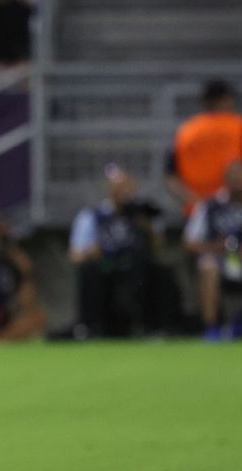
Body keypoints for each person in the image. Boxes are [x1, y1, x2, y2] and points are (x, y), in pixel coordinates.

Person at [69, 165, 168, 338]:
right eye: (119, 188)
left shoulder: (142, 214)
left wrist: (145, 226)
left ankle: (152, 326)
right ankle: (89, 327)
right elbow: (76, 255)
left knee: (154, 269)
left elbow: (158, 246)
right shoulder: (92, 215)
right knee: (89, 271)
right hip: (106, 265)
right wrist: (95, 250)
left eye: (127, 187)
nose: (124, 192)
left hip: (134, 266)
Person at [184, 159, 242, 339]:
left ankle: (238, 323)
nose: (237, 181)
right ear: (225, 180)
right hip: (220, 259)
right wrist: (217, 247)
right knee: (208, 266)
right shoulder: (210, 206)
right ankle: (212, 327)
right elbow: (190, 242)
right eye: (232, 177)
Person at [166, 79, 242, 216]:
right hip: (234, 209)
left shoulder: (186, 130)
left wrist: (195, 202)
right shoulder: (237, 126)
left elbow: (171, 176)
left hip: (197, 211)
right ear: (226, 99)